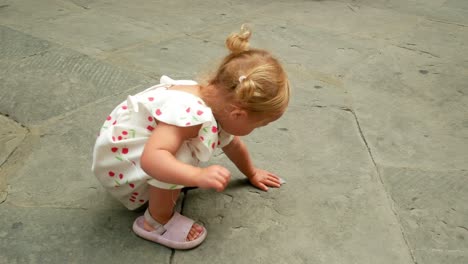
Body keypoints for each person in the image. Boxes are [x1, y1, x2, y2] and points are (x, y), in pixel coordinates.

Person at [91, 24, 290, 250]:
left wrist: (252, 173)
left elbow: (233, 144)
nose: (259, 128)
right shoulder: (190, 114)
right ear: (238, 114)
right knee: (178, 156)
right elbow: (152, 159)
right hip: (122, 166)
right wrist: (196, 175)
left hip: (131, 149)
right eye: (260, 124)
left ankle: (169, 185)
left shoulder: (213, 98)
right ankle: (156, 221)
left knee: (179, 153)